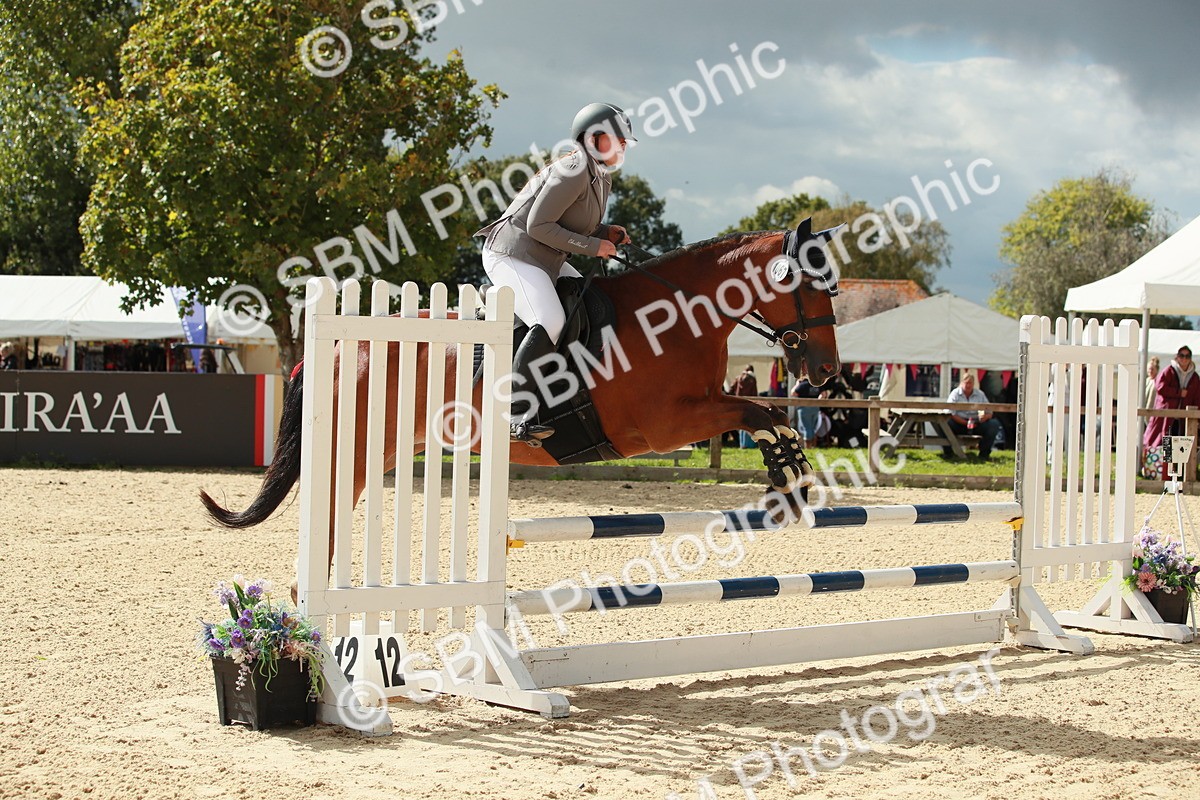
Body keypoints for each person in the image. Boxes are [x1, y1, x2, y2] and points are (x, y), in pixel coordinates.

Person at [475, 103, 636, 443]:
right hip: (513, 253)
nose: (623, 146)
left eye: (624, 140)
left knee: (590, 301)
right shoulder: (574, 169)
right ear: (593, 138)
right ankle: (514, 413)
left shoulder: (599, 176)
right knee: (550, 320)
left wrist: (604, 233)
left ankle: (557, 394)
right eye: (618, 139)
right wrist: (594, 247)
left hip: (545, 256)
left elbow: (570, 223)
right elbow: (537, 226)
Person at [1143, 347, 1200, 463]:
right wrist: (1179, 393)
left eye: (1187, 356)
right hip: (1166, 415)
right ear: (1177, 357)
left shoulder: (1194, 377)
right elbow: (1160, 387)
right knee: (1165, 440)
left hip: (1184, 417)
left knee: (1182, 442)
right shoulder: (1168, 371)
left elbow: (1197, 397)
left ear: (1190, 358)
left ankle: (1180, 469)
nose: (1184, 359)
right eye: (1182, 355)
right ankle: (1163, 467)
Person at [945, 371, 1000, 459]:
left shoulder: (980, 394)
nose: (968, 385)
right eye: (966, 383)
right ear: (962, 383)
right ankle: (948, 453)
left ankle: (984, 454)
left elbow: (989, 411)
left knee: (994, 424)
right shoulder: (955, 394)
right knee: (945, 423)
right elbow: (950, 413)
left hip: (976, 423)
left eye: (970, 383)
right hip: (959, 424)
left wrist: (985, 417)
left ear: (973, 384)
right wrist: (965, 423)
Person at [730, 365, 758, 447]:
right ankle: (747, 444)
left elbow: (731, 389)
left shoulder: (738, 378)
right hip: (748, 404)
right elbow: (754, 393)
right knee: (748, 424)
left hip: (738, 403)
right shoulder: (752, 379)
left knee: (741, 424)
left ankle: (742, 444)